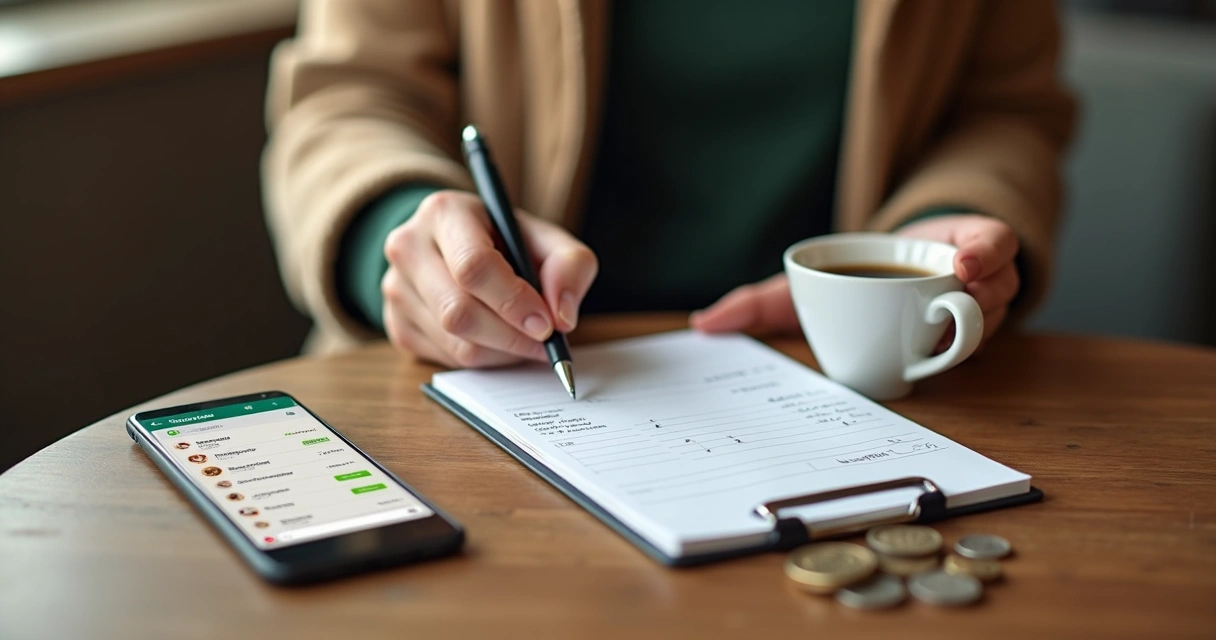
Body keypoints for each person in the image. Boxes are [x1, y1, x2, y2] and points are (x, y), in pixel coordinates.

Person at [263, 1, 1074, 365]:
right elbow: (347, 96)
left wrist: (922, 244)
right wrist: (401, 237)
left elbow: (1003, 108)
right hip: (498, 364)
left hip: (844, 373)